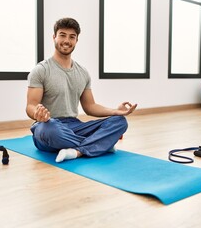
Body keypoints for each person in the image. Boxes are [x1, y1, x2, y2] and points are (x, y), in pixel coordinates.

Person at [26, 17, 137, 163]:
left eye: (72, 37)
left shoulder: (82, 72)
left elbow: (90, 106)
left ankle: (77, 152)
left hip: (74, 126)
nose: (67, 40)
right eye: (62, 35)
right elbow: (30, 106)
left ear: (76, 41)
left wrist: (116, 111)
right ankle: (99, 145)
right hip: (48, 126)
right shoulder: (41, 70)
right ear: (54, 37)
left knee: (120, 122)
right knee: (50, 130)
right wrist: (38, 114)